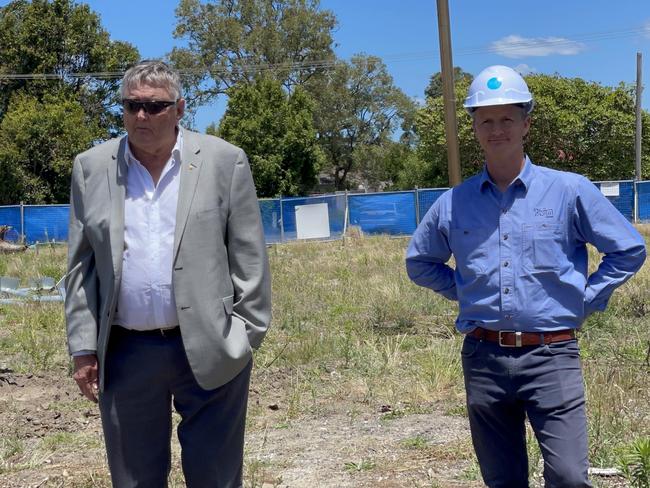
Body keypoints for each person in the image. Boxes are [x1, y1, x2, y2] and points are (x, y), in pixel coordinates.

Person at [405, 65, 646, 487]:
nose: (496, 129)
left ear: (526, 124)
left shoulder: (569, 190)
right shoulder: (453, 203)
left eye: (507, 119)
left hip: (552, 356)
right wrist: (465, 292)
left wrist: (585, 300)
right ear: (475, 129)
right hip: (484, 358)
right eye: (486, 121)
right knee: (502, 481)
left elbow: (628, 249)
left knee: (570, 477)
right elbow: (419, 263)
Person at [65, 60, 271, 487]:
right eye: (132, 106)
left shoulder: (223, 161)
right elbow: (81, 268)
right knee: (134, 479)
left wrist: (244, 335)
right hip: (126, 353)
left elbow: (249, 255)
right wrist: (83, 348)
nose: (142, 116)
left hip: (212, 348)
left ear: (179, 109)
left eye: (155, 106)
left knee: (215, 476)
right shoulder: (92, 167)